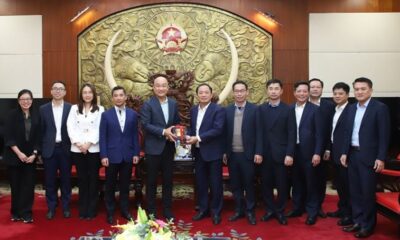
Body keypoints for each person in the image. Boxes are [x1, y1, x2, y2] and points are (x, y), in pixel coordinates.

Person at [341, 77, 390, 238]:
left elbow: (384, 135)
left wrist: (381, 157)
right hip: (352, 155)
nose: (359, 92)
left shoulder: (380, 108)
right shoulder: (352, 108)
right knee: (354, 191)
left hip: (369, 156)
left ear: (370, 90)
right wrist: (344, 153)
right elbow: (347, 133)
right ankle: (358, 221)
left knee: (367, 192)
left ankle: (368, 225)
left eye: (363, 89)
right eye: (357, 89)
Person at [140, 74, 180, 220]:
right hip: (153, 149)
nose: (161, 88)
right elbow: (145, 125)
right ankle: (151, 211)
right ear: (153, 87)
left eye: (164, 85)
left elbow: (176, 122)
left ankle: (167, 211)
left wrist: (177, 132)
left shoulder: (173, 104)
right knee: (151, 182)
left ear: (168, 88)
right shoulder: (148, 104)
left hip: (168, 148)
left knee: (168, 181)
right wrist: (164, 132)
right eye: (158, 85)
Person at [100, 85, 140, 224]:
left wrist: (136, 152)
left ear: (125, 97)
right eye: (115, 95)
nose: (118, 97)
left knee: (125, 185)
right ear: (112, 98)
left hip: (128, 155)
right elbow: (102, 136)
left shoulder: (133, 114)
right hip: (111, 156)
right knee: (110, 186)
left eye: (121, 95)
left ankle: (125, 210)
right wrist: (103, 155)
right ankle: (110, 212)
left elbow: (135, 135)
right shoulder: (106, 115)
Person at [223, 80, 262, 225]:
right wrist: (224, 152)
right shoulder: (226, 110)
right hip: (232, 154)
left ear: (247, 92)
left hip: (249, 155)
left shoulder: (255, 109)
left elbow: (259, 132)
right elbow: (224, 133)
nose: (239, 93)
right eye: (236, 91)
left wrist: (258, 151)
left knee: (249, 184)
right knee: (235, 185)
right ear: (233, 93)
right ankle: (239, 210)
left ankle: (250, 211)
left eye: (242, 91)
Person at [187, 83, 226, 225]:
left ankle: (216, 212)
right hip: (198, 152)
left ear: (211, 94)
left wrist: (197, 138)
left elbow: (218, 129)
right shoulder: (193, 110)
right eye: (200, 93)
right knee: (201, 183)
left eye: (206, 92)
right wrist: (187, 137)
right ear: (197, 95)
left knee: (215, 184)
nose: (203, 95)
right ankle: (203, 210)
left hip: (213, 152)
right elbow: (192, 128)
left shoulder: (218, 110)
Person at [258, 79, 295, 225]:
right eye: (270, 88)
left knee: (282, 185)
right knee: (266, 184)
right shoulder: (260, 109)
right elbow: (259, 132)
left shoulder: (288, 109)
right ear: (267, 91)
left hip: (282, 154)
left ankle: (280, 211)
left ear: (281, 91)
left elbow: (292, 133)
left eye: (276, 89)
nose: (273, 91)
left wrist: (290, 154)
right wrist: (259, 152)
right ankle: (269, 210)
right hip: (265, 154)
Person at [286, 81, 323, 225]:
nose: (302, 94)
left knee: (311, 182)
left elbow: (320, 134)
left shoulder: (315, 109)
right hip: (294, 151)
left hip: (310, 152)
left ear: (308, 93)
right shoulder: (289, 109)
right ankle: (297, 208)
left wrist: (318, 153)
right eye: (299, 91)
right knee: (296, 182)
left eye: (304, 91)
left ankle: (312, 212)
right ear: (294, 93)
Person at [67, 83, 104, 220]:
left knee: (93, 179)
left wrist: (88, 144)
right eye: (85, 92)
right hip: (77, 149)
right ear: (81, 95)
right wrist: (78, 144)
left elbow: (100, 128)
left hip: (93, 148)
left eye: (90, 92)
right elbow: (70, 126)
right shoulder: (74, 108)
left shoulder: (100, 109)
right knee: (82, 179)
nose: (87, 94)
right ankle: (83, 209)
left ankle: (92, 209)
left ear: (93, 95)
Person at [3, 89, 40, 223]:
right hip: (14, 156)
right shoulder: (11, 115)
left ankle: (27, 213)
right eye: (23, 99)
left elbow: (39, 137)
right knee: (16, 186)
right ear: (18, 101)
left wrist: (35, 154)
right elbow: (8, 137)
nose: (26, 101)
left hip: (30, 158)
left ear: (32, 100)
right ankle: (15, 212)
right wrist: (19, 153)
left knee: (28, 186)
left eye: (28, 99)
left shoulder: (36, 115)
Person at [40, 81, 72, 220]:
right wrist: (40, 151)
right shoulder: (43, 109)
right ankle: (51, 207)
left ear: (65, 92)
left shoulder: (71, 108)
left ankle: (65, 207)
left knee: (66, 180)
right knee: (50, 181)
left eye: (61, 89)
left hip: (66, 149)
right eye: (55, 89)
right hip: (49, 150)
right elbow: (40, 131)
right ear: (51, 91)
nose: (58, 91)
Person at [324, 82, 352, 226]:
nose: (337, 96)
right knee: (339, 184)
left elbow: (349, 134)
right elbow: (332, 133)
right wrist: (329, 149)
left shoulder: (351, 110)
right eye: (335, 93)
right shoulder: (335, 109)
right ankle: (342, 209)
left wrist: (344, 152)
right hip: (335, 152)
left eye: (341, 94)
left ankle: (349, 214)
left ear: (347, 95)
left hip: (345, 154)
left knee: (347, 185)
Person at [309, 78, 335, 218]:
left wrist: (327, 149)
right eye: (312, 87)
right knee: (305, 179)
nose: (314, 89)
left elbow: (331, 129)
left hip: (323, 149)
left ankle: (318, 206)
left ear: (322, 89)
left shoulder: (329, 106)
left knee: (320, 178)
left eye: (317, 87)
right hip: (304, 149)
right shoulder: (302, 104)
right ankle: (306, 204)